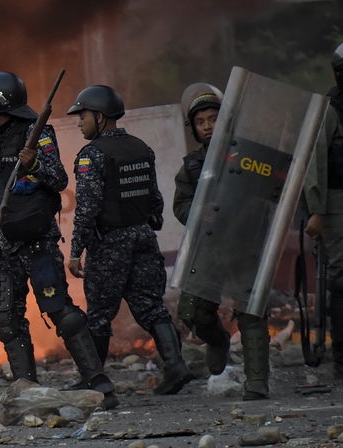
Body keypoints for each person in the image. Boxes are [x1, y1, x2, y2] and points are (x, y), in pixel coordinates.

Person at [0, 72, 118, 409]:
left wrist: (35, 168)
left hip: (37, 240)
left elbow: (57, 178)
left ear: (0, 101)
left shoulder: (38, 132)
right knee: (7, 320)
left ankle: (99, 383)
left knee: (60, 311)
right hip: (3, 241)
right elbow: (1, 178)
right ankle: (27, 391)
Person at [66, 85, 195, 396]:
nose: (78, 122)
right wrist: (148, 225)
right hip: (142, 237)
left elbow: (87, 208)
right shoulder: (141, 148)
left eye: (82, 116)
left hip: (109, 241)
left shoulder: (92, 155)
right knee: (151, 307)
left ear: (99, 116)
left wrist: (75, 251)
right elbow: (155, 199)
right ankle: (175, 364)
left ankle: (94, 381)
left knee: (99, 314)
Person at [304, 36, 343, 379]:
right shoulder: (330, 110)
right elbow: (315, 161)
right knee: (342, 279)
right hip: (338, 202)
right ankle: (342, 354)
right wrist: (317, 208)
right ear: (342, 75)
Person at [172, 84, 233, 378]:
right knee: (192, 312)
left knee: (251, 311)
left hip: (245, 243)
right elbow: (180, 204)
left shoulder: (245, 154)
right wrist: (198, 214)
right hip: (208, 245)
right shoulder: (192, 166)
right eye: (200, 122)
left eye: (213, 119)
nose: (208, 126)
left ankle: (258, 384)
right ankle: (220, 342)